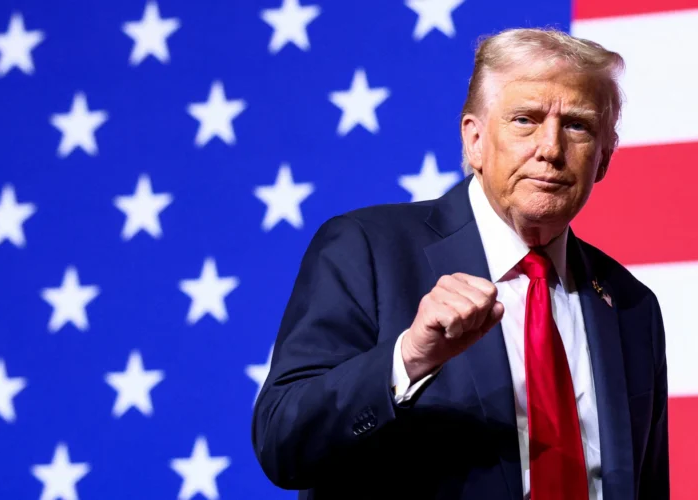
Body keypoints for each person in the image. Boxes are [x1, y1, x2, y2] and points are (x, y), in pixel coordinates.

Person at [251, 27, 669, 500]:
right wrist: (406, 361)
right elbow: (281, 441)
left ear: (605, 156)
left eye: (577, 125)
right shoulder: (365, 249)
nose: (550, 149)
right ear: (473, 141)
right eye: (525, 120)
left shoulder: (631, 306)